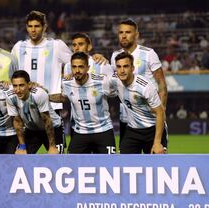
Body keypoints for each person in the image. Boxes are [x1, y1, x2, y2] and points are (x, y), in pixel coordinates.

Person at [111, 18, 168, 148]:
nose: (124, 36)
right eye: (121, 32)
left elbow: (162, 84)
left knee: (156, 163)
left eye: (128, 32)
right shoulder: (115, 56)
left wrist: (161, 110)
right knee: (128, 165)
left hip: (151, 119)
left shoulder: (148, 54)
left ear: (136, 35)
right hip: (127, 119)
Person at [49, 52, 117, 154]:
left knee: (108, 166)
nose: (77, 70)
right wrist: (46, 97)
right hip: (80, 132)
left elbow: (117, 92)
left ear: (87, 68)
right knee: (73, 166)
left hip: (103, 131)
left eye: (81, 67)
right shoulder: (67, 83)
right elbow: (63, 97)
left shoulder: (102, 81)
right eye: (74, 67)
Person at [11, 10, 72, 111]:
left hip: (51, 106)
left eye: (37, 26)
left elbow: (76, 63)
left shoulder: (56, 45)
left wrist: (66, 82)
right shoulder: (18, 47)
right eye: (30, 26)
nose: (33, 30)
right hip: (25, 106)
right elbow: (10, 72)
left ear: (44, 27)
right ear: (26, 27)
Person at [114, 52, 165, 154]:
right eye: (119, 67)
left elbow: (160, 112)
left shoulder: (145, 87)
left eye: (126, 66)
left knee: (155, 167)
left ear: (132, 68)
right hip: (133, 130)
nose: (122, 70)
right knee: (124, 165)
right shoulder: (114, 80)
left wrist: (157, 142)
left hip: (152, 129)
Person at [7, 70, 64, 154]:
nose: (18, 90)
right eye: (15, 86)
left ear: (29, 85)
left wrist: (52, 146)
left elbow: (47, 121)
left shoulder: (38, 94)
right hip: (32, 130)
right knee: (21, 157)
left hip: (53, 128)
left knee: (57, 159)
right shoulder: (10, 97)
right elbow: (17, 121)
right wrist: (22, 146)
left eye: (21, 85)